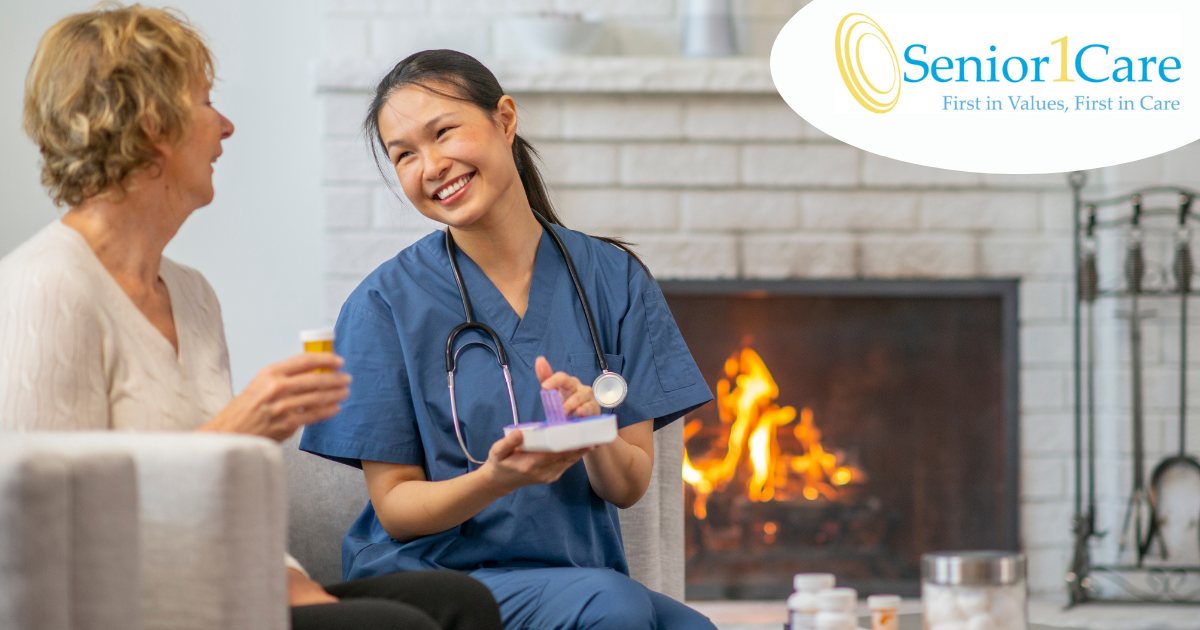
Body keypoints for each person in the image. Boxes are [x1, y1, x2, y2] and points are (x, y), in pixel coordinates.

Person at [0, 6, 501, 630]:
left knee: (461, 604)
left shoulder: (192, 296)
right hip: (137, 611)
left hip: (229, 589)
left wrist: (288, 583)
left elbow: (218, 508)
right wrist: (234, 434)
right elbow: (42, 536)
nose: (227, 126)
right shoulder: (47, 287)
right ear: (154, 124)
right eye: (207, 101)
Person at [298, 49, 718, 630]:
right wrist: (492, 481)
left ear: (504, 119)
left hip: (574, 577)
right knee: (614, 607)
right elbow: (396, 510)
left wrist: (593, 430)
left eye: (443, 132)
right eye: (405, 156)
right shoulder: (383, 305)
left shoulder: (614, 280)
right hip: (434, 576)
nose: (431, 166)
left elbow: (629, 485)